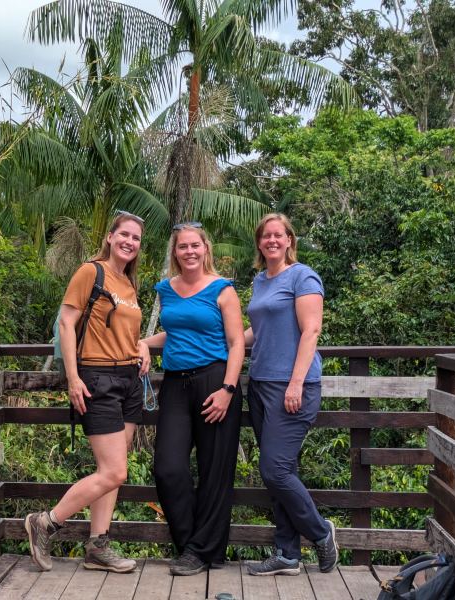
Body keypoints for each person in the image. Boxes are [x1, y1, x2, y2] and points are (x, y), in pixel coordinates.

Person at [25, 212, 151, 573]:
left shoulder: (128, 283)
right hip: (98, 379)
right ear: (110, 237)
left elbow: (123, 330)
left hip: (129, 381)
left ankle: (98, 546)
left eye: (136, 238)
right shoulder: (90, 272)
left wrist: (141, 346)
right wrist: (73, 378)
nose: (129, 241)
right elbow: (67, 322)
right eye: (124, 234)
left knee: (112, 469)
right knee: (114, 472)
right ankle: (45, 522)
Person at [142, 223, 245, 576]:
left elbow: (236, 344)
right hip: (175, 384)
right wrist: (144, 343)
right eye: (182, 246)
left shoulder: (223, 289)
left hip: (215, 381)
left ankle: (202, 550)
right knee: (168, 467)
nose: (189, 251)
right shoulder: (166, 289)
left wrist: (228, 390)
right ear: (175, 251)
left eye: (195, 245)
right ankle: (191, 546)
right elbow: (174, 331)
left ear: (205, 249)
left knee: (215, 470)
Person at [244, 213, 338, 576]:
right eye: (265, 235)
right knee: (281, 470)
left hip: (293, 386)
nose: (271, 240)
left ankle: (320, 532)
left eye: (277, 235)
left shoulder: (303, 276)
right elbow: (258, 330)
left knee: (275, 469)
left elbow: (311, 331)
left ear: (289, 240)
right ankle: (287, 554)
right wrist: (229, 343)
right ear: (259, 242)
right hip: (260, 384)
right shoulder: (259, 280)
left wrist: (296, 383)